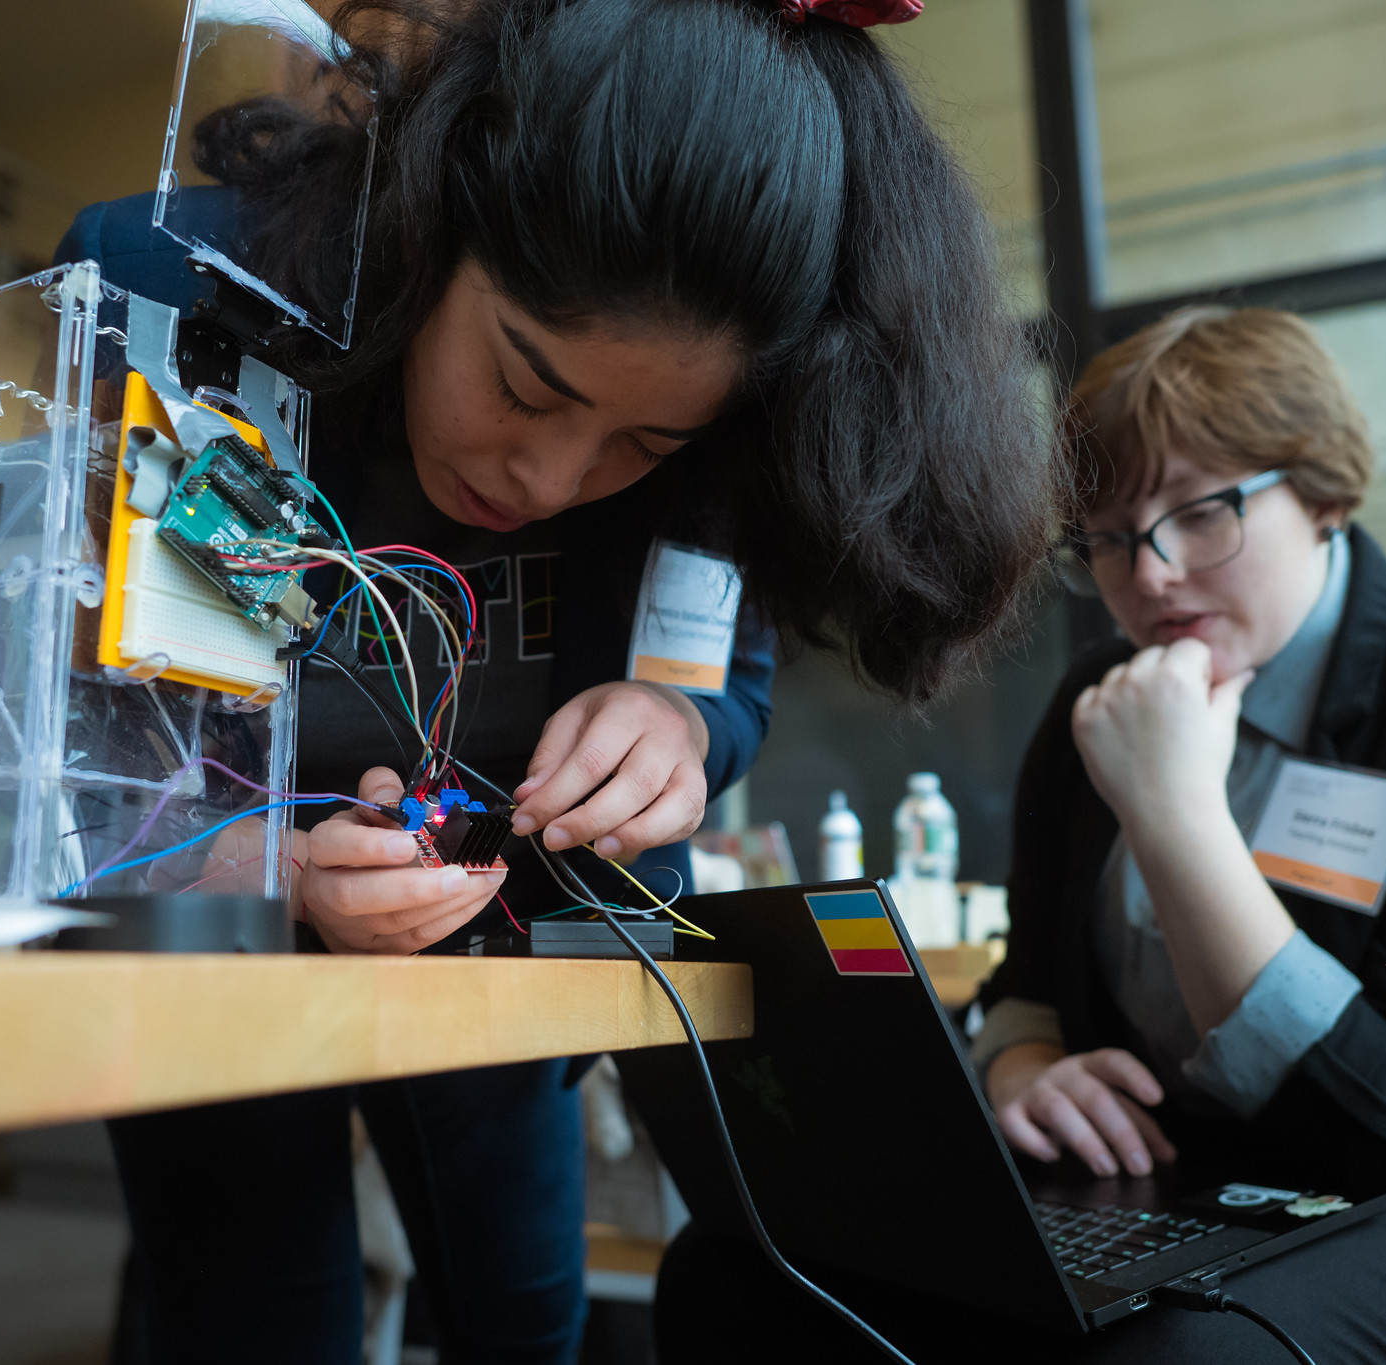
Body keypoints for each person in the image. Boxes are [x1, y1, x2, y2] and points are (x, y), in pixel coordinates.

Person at [56, 1, 1057, 1359]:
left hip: (508, 939)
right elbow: (78, 739)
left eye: (637, 443)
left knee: (523, 1305)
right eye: (524, 383)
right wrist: (265, 866)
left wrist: (678, 726)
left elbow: (722, 679)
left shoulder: (726, 431)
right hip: (216, 938)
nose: (542, 484)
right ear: (432, 219)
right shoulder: (176, 289)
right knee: (254, 1312)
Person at [653, 306, 1386, 1363]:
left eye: (1203, 513)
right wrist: (1019, 1065)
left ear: (1324, 496)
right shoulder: (1096, 700)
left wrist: (1174, 815)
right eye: (1109, 539)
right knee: (744, 1275)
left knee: (1171, 1359)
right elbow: (1024, 981)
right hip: (1194, 1180)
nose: (1152, 572)